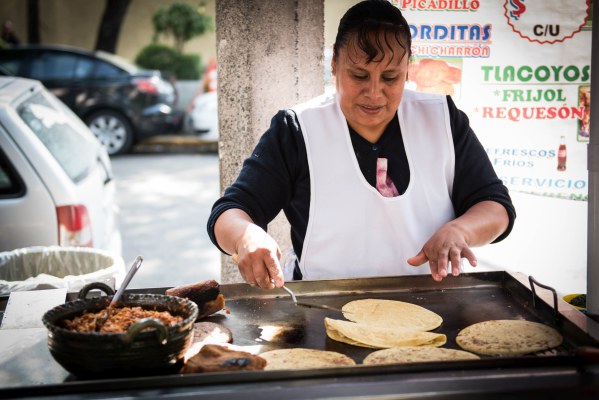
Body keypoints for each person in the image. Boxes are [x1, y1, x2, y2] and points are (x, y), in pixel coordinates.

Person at [207, 0, 516, 290]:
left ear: (408, 69)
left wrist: (460, 231)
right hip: (321, 310)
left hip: (431, 302)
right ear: (334, 64)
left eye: (390, 77)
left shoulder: (442, 119)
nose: (374, 92)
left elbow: (495, 207)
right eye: (359, 75)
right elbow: (230, 211)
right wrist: (246, 236)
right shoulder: (297, 129)